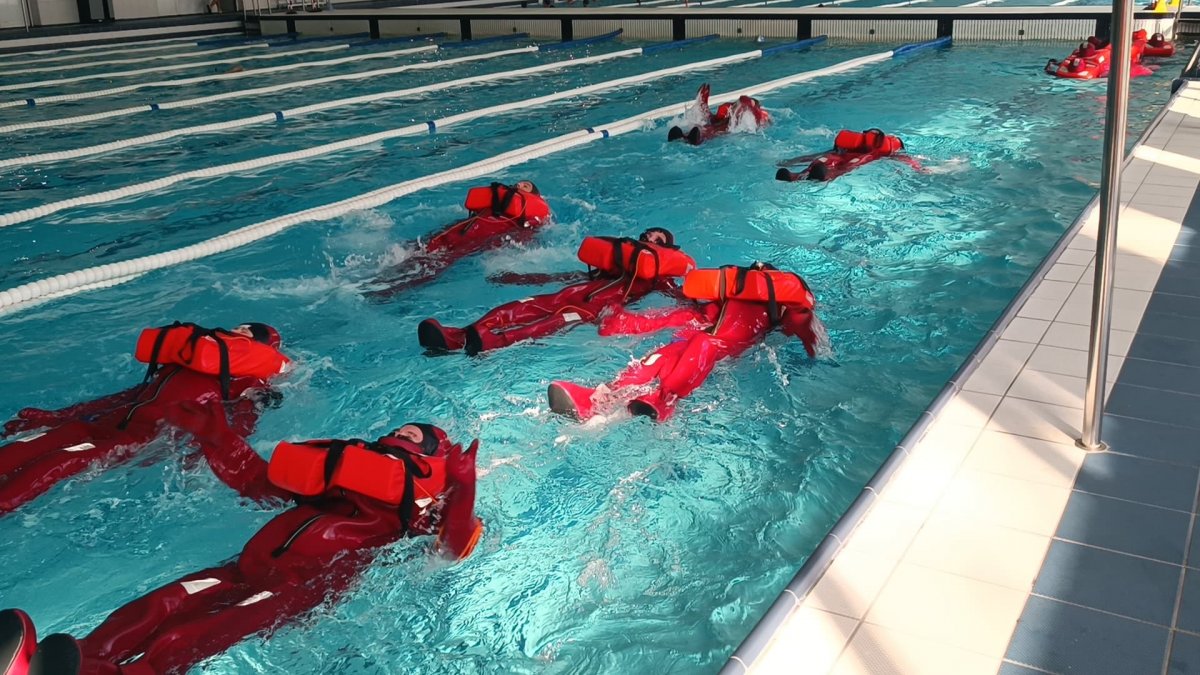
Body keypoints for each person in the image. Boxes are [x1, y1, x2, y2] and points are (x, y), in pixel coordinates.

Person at [0, 423, 483, 675]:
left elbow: (453, 549)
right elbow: (258, 484)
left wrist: (462, 487)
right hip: (244, 567)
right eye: (400, 430)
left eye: (417, 433)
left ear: (434, 456)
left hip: (301, 587)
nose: (405, 432)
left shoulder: (423, 505)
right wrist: (217, 438)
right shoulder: (339, 475)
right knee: (161, 603)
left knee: (183, 638)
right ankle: (76, 659)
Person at [0, 322, 290, 514]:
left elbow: (241, 421)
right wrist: (55, 417)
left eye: (247, 331)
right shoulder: (182, 365)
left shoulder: (245, 380)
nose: (237, 329)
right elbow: (126, 397)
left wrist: (200, 459)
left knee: (58, 460)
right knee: (26, 448)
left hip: (139, 438)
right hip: (106, 423)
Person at [547, 262, 822, 422]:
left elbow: (807, 331)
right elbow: (688, 309)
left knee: (705, 343)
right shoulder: (721, 303)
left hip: (725, 349)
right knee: (662, 354)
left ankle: (665, 399)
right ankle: (599, 397)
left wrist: (812, 353)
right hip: (698, 343)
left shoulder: (781, 308)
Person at [417, 227, 694, 356]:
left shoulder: (658, 279)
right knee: (515, 307)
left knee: (547, 324)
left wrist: (704, 305)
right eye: (646, 236)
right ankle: (456, 337)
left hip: (588, 311)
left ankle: (491, 343)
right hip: (565, 295)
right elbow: (566, 276)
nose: (647, 240)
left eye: (657, 240)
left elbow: (680, 297)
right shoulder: (609, 267)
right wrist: (522, 278)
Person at [364, 181, 551, 302]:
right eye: (518, 183)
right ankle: (368, 282)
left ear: (534, 196)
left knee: (426, 266)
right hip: (454, 232)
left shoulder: (526, 221)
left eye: (525, 185)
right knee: (412, 252)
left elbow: (521, 241)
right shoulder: (495, 204)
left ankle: (378, 294)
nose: (519, 184)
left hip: (467, 244)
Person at [775, 129, 923, 182]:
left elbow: (816, 155)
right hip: (852, 159)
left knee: (823, 160)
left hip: (839, 154)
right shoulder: (883, 152)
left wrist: (790, 162)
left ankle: (795, 175)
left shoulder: (849, 145)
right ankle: (823, 176)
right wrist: (921, 169)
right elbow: (907, 160)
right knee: (843, 168)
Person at [667, 84, 772, 146]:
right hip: (710, 129)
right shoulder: (729, 118)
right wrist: (703, 104)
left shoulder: (750, 120)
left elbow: (755, 113)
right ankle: (686, 136)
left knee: (707, 132)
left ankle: (691, 138)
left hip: (713, 133)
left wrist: (747, 102)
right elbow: (710, 118)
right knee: (704, 128)